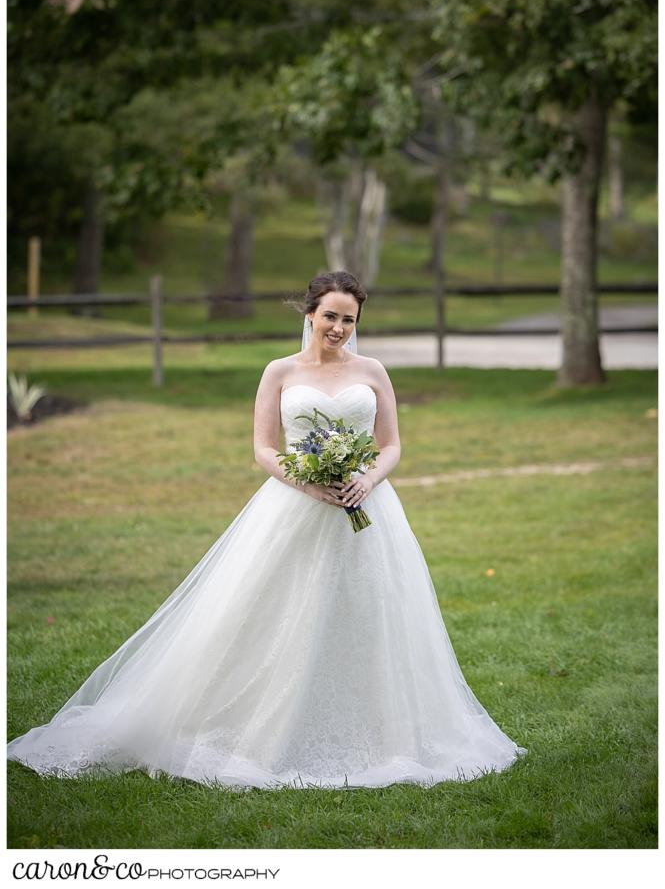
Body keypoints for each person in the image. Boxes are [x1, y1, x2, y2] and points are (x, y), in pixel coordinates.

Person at [7, 270, 526, 790]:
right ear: (309, 315)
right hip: (293, 506)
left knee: (372, 615)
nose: (340, 328)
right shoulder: (279, 371)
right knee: (269, 616)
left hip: (367, 508)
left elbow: (391, 444)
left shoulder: (373, 371)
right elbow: (262, 447)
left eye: (349, 319)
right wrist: (308, 481)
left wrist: (365, 479)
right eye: (331, 316)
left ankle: (379, 729)